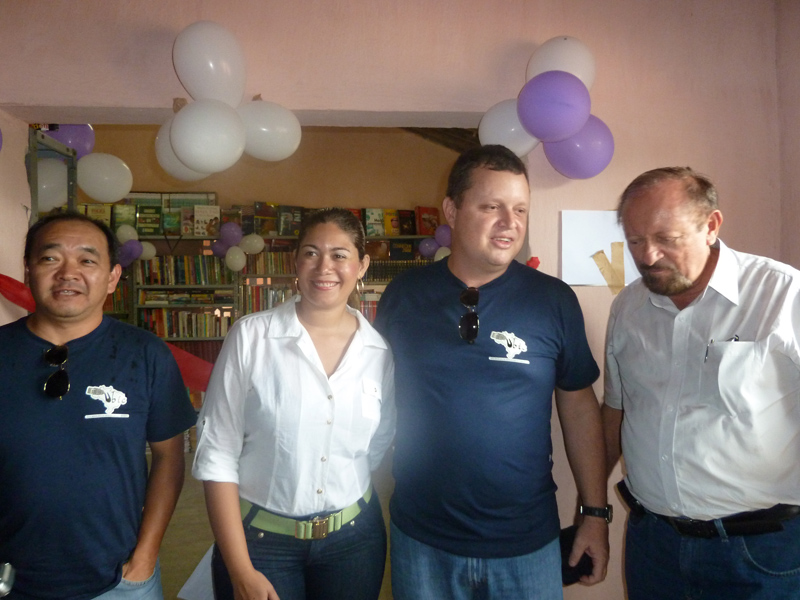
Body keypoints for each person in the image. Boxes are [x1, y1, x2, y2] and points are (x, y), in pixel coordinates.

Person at [374, 145, 610, 599]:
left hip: (527, 545)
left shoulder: (554, 301)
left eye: (520, 208)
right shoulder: (404, 295)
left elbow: (579, 408)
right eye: (491, 206)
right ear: (452, 209)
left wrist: (595, 515)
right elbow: (369, 398)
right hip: (422, 540)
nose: (510, 222)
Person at [602, 166, 800, 599]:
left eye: (666, 239)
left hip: (763, 554)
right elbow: (617, 412)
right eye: (635, 241)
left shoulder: (782, 295)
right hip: (653, 547)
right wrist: (592, 510)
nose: (648, 256)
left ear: (711, 226)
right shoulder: (628, 308)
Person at [193, 208, 396, 600]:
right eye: (311, 252)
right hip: (261, 543)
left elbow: (375, 446)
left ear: (361, 265)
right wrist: (240, 569)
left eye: (340, 254)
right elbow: (217, 453)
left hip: (355, 542)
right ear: (295, 262)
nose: (325, 267)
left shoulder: (378, 352)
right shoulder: (251, 338)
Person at [0, 212, 197, 599]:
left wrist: (145, 556)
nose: (68, 273)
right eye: (50, 258)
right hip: (11, 580)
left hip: (120, 581)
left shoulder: (145, 354)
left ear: (112, 278)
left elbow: (169, 458)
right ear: (27, 270)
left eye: (87, 260)